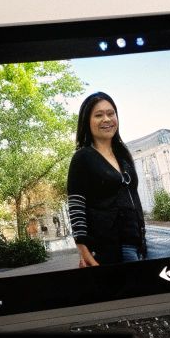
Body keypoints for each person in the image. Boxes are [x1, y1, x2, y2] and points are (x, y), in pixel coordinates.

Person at [67, 92, 149, 267]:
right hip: (108, 248)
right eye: (98, 115)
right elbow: (76, 205)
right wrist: (84, 251)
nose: (106, 119)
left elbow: (134, 198)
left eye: (111, 113)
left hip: (137, 245)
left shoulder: (124, 156)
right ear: (87, 121)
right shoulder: (83, 157)